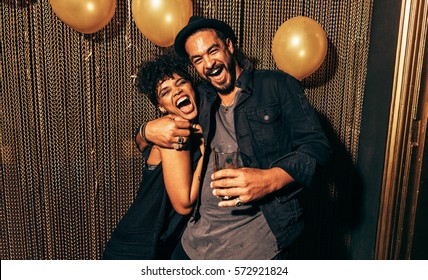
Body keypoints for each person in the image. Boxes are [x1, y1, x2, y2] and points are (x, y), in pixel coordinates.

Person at [136, 16, 331, 260]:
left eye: (213, 51)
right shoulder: (202, 97)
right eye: (198, 59)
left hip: (255, 250)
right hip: (193, 246)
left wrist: (268, 180)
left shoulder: (277, 85)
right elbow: (159, 127)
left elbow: (317, 147)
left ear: (229, 45)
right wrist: (144, 131)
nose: (208, 64)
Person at [102, 53, 204, 259]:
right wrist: (206, 150)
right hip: (135, 250)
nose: (177, 91)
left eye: (181, 83)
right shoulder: (171, 132)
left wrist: (143, 132)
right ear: (160, 106)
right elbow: (184, 204)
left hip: (155, 245)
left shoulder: (169, 130)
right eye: (166, 92)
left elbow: (141, 145)